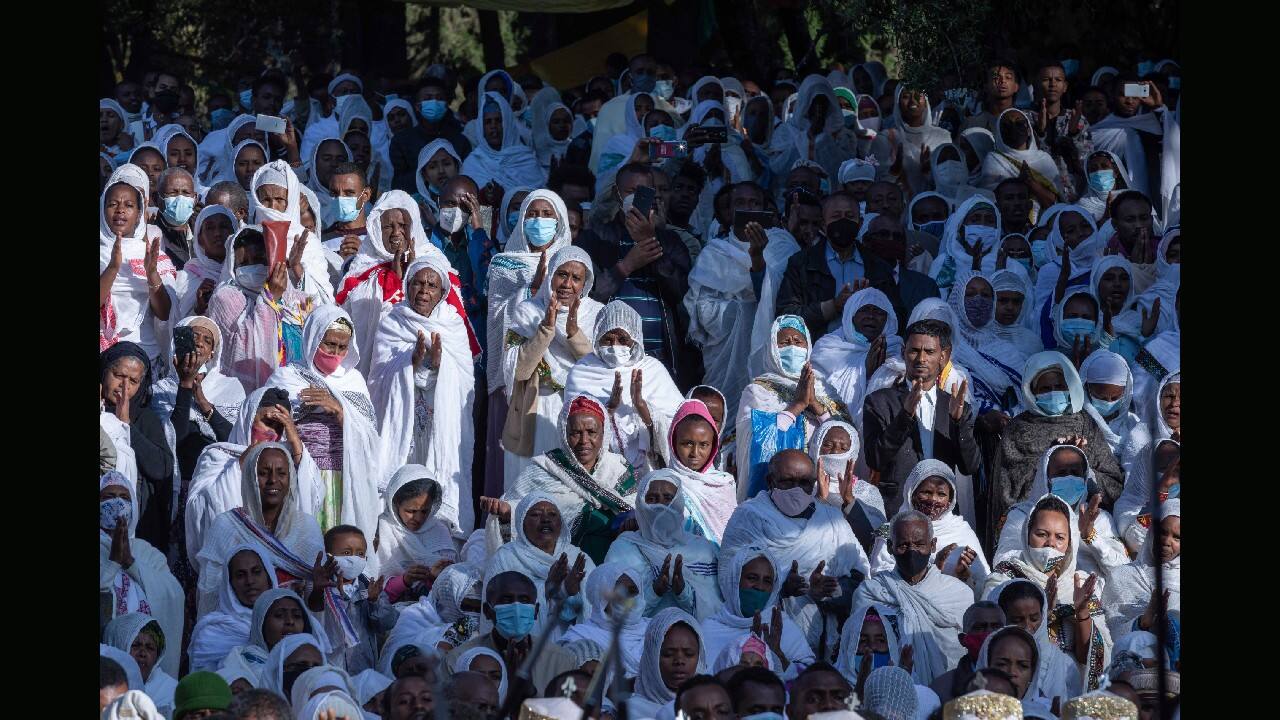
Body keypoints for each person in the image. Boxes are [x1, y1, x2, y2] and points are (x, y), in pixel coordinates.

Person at [368, 257, 476, 535]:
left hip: (439, 421)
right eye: (418, 283)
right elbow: (379, 378)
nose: (424, 290)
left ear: (442, 293)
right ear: (408, 285)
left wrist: (441, 366)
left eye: (431, 285)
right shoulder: (392, 321)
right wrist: (410, 362)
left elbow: (465, 381)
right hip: (403, 424)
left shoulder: (452, 325)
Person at [721, 449, 869, 651]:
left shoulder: (832, 520)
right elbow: (728, 578)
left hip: (823, 642)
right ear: (770, 481)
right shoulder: (748, 518)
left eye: (805, 483)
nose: (796, 489)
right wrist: (779, 588)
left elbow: (861, 577)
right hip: (760, 639)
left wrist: (829, 591)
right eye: (787, 481)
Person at [483, 189, 574, 496]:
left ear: (560, 222)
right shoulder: (503, 264)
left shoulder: (572, 264)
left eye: (547, 215)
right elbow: (497, 319)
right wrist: (530, 291)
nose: (539, 221)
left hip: (558, 382)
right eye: (532, 214)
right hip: (515, 378)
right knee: (515, 469)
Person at [578, 162, 698, 387]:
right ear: (617, 193)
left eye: (643, 192)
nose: (636, 198)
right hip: (609, 353)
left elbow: (682, 292)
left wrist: (649, 241)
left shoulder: (671, 242)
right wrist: (626, 266)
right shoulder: (594, 238)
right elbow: (588, 295)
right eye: (630, 192)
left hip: (660, 356)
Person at [987, 351, 1123, 547]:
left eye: (1059, 386)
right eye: (1045, 388)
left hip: (1085, 530)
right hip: (1037, 534)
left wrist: (1081, 466)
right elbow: (1007, 494)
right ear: (1031, 392)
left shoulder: (1085, 424)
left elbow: (1114, 486)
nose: (1053, 392)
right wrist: (1050, 461)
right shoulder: (1017, 429)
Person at [982, 494, 1111, 691]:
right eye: (1042, 534)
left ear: (1070, 543)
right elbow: (991, 638)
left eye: (1059, 537)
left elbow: (1091, 660)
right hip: (1013, 682)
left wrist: (1082, 613)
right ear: (1027, 534)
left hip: (1067, 686)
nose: (1050, 543)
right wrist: (1044, 616)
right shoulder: (1005, 578)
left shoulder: (1079, 585)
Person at [502, 246, 605, 486]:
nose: (567, 284)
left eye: (576, 278)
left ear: (585, 284)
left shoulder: (597, 316)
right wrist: (546, 330)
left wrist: (573, 333)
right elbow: (519, 371)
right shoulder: (527, 312)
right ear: (550, 276)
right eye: (562, 274)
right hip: (537, 409)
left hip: (580, 414)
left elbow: (601, 371)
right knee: (533, 485)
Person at [493, 395, 636, 562]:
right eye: (575, 433)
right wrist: (508, 513)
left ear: (603, 433)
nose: (584, 441)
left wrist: (631, 521)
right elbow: (517, 508)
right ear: (564, 433)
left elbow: (639, 509)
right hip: (555, 565)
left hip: (615, 562)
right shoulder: (544, 469)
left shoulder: (618, 468)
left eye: (591, 432)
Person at [862, 320, 982, 515]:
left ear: (944, 356)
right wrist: (905, 416)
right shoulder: (879, 402)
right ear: (903, 352)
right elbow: (875, 459)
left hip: (943, 512)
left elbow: (970, 466)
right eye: (914, 350)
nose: (921, 358)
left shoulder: (957, 406)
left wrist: (957, 423)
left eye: (929, 352)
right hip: (896, 510)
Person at [851, 510, 973, 685]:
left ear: (933, 545)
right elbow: (857, 647)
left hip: (948, 690)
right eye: (903, 545)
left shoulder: (959, 594)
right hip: (886, 687)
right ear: (890, 547)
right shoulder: (870, 592)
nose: (912, 551)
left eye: (919, 544)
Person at [564, 300, 684, 475]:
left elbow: (678, 423)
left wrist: (642, 407)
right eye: (608, 339)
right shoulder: (582, 371)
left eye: (623, 340)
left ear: (634, 340)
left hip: (649, 469)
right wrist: (608, 410)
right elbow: (571, 425)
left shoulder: (652, 370)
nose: (615, 346)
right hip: (600, 470)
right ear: (597, 338)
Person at [734, 315, 848, 499]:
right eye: (785, 342)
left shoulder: (823, 388)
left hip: (823, 484)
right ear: (772, 348)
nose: (793, 347)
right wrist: (797, 406)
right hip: (781, 484)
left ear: (808, 346)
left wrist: (816, 406)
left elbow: (845, 435)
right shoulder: (757, 391)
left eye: (798, 341)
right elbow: (757, 438)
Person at [993, 443, 1130, 578]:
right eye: (1061, 473)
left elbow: (1123, 571)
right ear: (1044, 477)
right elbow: (1002, 562)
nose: (1069, 478)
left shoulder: (1099, 518)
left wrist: (1091, 537)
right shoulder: (1021, 515)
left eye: (1075, 473)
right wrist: (1045, 558)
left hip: (1092, 596)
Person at [603, 470, 723, 621]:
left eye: (668, 498)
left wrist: (682, 592)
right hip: (637, 641)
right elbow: (612, 613)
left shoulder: (703, 550)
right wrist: (654, 592)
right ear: (640, 503)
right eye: (652, 498)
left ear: (679, 503)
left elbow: (715, 611)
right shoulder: (623, 548)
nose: (660, 505)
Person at [100, 470, 185, 676]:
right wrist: (113, 563)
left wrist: (130, 562)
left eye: (124, 497)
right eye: (109, 497)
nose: (117, 503)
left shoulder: (146, 552)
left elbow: (173, 595)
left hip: (146, 656)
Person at [444, 569, 580, 693]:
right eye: (506, 600)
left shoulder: (561, 661)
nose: (516, 607)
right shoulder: (458, 660)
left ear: (535, 611)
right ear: (487, 611)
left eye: (524, 600)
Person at [101, 342, 179, 551]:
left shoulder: (145, 419)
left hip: (139, 531)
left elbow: (161, 468)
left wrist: (126, 425)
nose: (124, 387)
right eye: (118, 375)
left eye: (133, 381)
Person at [485, 493, 598, 637]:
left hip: (572, 646)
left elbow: (597, 609)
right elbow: (500, 608)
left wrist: (572, 592)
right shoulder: (506, 558)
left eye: (552, 514)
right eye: (535, 515)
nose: (545, 520)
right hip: (522, 647)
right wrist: (549, 588)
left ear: (561, 522)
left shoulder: (578, 558)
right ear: (521, 522)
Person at [869, 460, 990, 591]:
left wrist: (963, 576)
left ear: (951, 500)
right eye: (926, 492)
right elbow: (880, 580)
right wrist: (934, 569)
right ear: (912, 493)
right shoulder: (892, 530)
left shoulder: (961, 531)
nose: (933, 499)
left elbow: (984, 585)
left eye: (941, 494)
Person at [100, 164, 178, 359]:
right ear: (102, 208)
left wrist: (151, 274)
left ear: (139, 213)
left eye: (129, 205)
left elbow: (165, 313)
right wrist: (112, 268)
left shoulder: (151, 254)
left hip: (146, 353)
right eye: (113, 204)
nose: (120, 211)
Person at [703, 546, 815, 677]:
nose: (759, 587)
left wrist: (776, 653)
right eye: (752, 578)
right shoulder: (709, 629)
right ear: (735, 581)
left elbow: (808, 678)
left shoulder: (781, 628)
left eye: (767, 581)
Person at [809, 286, 901, 428]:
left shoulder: (896, 348)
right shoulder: (828, 346)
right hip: (828, 427)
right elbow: (817, 392)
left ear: (887, 319)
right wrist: (864, 369)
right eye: (864, 310)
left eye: (878, 312)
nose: (871, 316)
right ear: (851, 315)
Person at [988, 578, 1082, 705]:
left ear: (1043, 616)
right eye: (1017, 620)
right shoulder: (988, 659)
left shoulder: (1063, 664)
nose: (1027, 627)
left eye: (1034, 619)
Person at [187, 543, 278, 673]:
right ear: (229, 584)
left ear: (269, 577)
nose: (250, 581)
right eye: (240, 575)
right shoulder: (212, 634)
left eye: (256, 572)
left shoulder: (289, 621)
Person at [1102, 499, 1179, 647]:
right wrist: (1143, 622)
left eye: (1177, 537)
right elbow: (1108, 633)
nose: (1167, 541)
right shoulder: (1121, 576)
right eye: (1162, 532)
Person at [556, 561, 650, 678]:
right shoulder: (580, 637)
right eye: (620, 591)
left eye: (632, 591)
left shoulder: (654, 629)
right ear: (600, 595)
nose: (626, 597)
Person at [390, 76, 473, 194]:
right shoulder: (401, 141)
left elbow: (467, 176)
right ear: (417, 106)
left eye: (439, 98)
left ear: (446, 104)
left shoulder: (460, 140)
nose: (434, 102)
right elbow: (399, 183)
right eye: (428, 98)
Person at [628, 608, 708, 720]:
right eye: (668, 654)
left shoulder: (711, 703)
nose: (679, 661)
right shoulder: (632, 711)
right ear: (652, 658)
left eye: (689, 654)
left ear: (699, 658)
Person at [461, 91, 545, 190]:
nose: (493, 126)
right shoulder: (473, 163)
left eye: (498, 120)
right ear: (481, 128)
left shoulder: (526, 160)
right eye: (488, 122)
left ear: (508, 124)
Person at [978, 109, 1063, 205]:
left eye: (1019, 123)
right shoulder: (994, 160)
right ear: (1000, 132)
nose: (1013, 129)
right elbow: (991, 200)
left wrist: (1032, 184)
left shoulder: (1044, 159)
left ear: (1029, 130)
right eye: (1007, 126)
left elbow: (1055, 202)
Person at [927, 602, 1006, 705]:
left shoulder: (1022, 679)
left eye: (996, 627)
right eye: (979, 627)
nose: (989, 634)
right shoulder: (941, 689)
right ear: (963, 639)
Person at [104, 613, 180, 715]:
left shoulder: (171, 691)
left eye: (150, 648)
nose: (143, 653)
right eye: (135, 645)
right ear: (118, 646)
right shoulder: (105, 688)